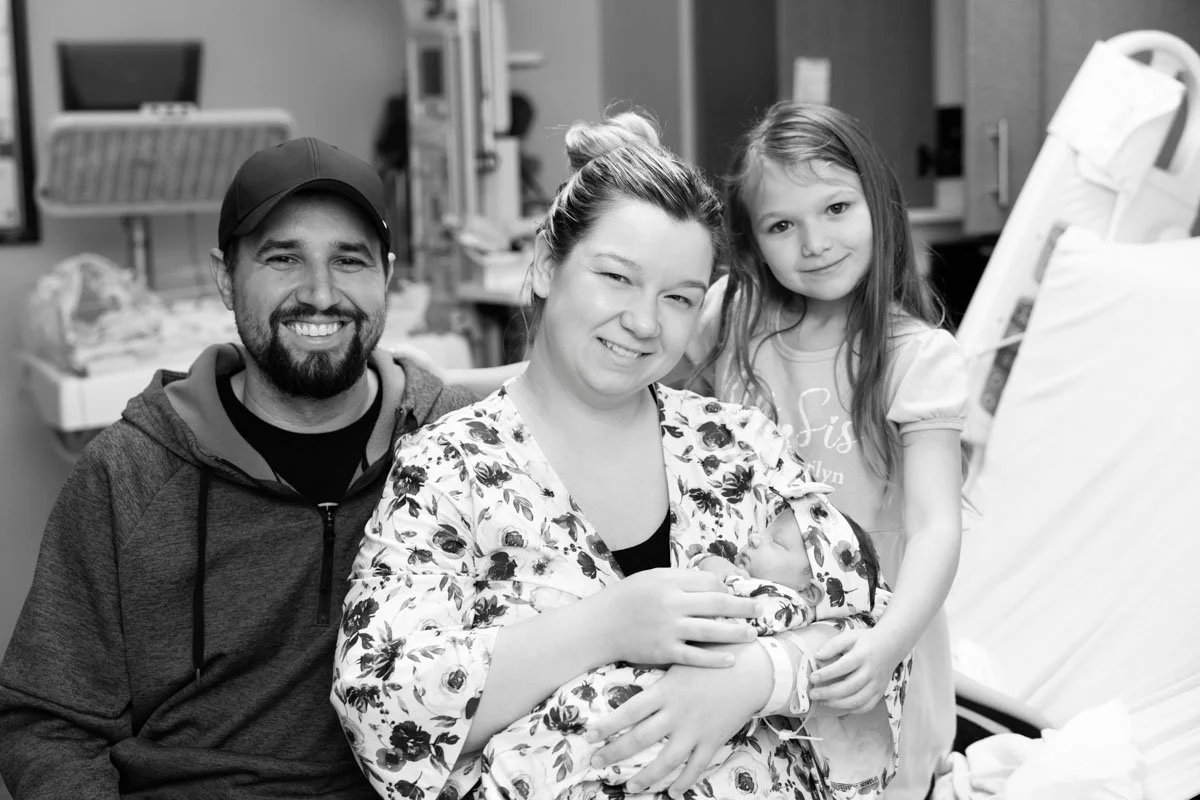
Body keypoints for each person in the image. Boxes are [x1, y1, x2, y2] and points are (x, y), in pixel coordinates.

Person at [331, 111, 906, 800]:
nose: (642, 322)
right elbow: (381, 709)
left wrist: (762, 675)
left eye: (678, 298)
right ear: (546, 266)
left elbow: (871, 631)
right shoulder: (451, 469)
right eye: (616, 278)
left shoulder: (734, 445)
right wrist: (608, 625)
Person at [0, 137, 476, 799]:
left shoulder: (459, 446)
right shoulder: (131, 471)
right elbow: (48, 722)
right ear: (226, 277)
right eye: (284, 259)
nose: (319, 293)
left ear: (387, 277)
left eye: (350, 260)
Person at [686, 101, 968, 800]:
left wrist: (889, 645)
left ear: (877, 200)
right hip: (753, 645)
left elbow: (936, 525)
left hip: (867, 653)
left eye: (837, 207)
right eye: (783, 225)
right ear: (753, 240)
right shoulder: (734, 319)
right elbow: (627, 380)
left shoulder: (916, 357)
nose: (814, 242)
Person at [480, 507, 899, 800]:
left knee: (592, 738)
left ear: (809, 591)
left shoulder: (784, 605)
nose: (755, 536)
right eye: (765, 527)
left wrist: (714, 567)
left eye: (775, 541)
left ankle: (517, 772)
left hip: (672, 712)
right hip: (658, 701)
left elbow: (732, 607)